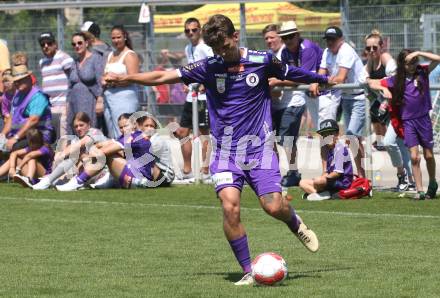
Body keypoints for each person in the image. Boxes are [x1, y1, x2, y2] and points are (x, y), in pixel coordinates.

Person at [104, 14, 334, 285]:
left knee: (273, 207)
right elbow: (164, 75)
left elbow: (292, 72)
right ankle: (249, 270)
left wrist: (321, 79)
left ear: (235, 37)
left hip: (258, 149)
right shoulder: (208, 66)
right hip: (225, 152)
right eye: (216, 49)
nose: (221, 53)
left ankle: (294, 222)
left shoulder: (261, 61)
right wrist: (127, 78)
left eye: (225, 46)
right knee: (230, 207)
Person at [368, 50, 439, 200]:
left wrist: (418, 52)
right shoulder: (396, 79)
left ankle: (432, 182)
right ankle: (420, 191)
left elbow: (438, 59)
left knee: (428, 155)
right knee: (414, 157)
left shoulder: (422, 72)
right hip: (408, 122)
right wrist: (384, 88)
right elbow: (370, 82)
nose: (412, 66)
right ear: (402, 64)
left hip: (424, 120)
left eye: (414, 62)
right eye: (408, 63)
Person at [56, 113, 174, 191]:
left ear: (135, 126)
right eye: (121, 127)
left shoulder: (152, 139)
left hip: (161, 175)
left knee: (108, 155)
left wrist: (88, 155)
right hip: (148, 172)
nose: (149, 128)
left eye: (151, 126)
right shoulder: (131, 136)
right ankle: (83, 181)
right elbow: (108, 144)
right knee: (111, 154)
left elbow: (104, 150)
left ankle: (78, 181)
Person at [271, 20, 323, 187]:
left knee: (326, 135)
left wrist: (279, 81)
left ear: (298, 35)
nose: (288, 40)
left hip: (320, 95)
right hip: (303, 96)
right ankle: (286, 173)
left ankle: (328, 174)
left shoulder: (307, 48)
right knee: (283, 139)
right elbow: (286, 76)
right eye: (285, 37)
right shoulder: (285, 52)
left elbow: (305, 78)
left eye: (291, 36)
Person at [310, 26, 366, 178]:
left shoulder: (346, 50)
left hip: (357, 97)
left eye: (333, 39)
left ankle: (362, 177)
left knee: (352, 136)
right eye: (327, 39)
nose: (329, 42)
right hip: (341, 95)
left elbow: (340, 78)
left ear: (341, 40)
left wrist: (320, 82)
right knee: (325, 132)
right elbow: (321, 73)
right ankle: (326, 173)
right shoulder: (327, 51)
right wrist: (315, 81)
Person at [364, 30, 414, 191]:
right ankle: (407, 180)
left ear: (381, 47)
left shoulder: (386, 59)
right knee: (398, 144)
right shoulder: (370, 61)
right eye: (368, 48)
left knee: (391, 143)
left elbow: (395, 79)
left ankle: (406, 178)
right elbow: (364, 79)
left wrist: (378, 83)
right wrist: (380, 84)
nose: (371, 51)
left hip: (401, 108)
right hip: (389, 109)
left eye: (374, 48)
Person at [167, 17, 214, 181]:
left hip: (203, 97)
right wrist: (188, 83)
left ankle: (206, 170)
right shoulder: (188, 48)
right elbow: (190, 70)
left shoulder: (205, 48)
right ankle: (188, 171)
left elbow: (212, 68)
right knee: (183, 132)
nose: (191, 33)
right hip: (191, 97)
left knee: (203, 134)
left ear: (200, 30)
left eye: (194, 30)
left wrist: (204, 84)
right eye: (187, 30)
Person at [32, 112, 107, 190]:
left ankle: (47, 181)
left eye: (81, 125)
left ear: (88, 124)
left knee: (74, 154)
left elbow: (82, 143)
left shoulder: (95, 132)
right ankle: (47, 180)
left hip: (101, 174)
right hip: (82, 173)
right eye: (76, 126)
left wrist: (62, 154)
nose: (78, 128)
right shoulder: (75, 140)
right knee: (59, 178)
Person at [299, 119, 353, 201]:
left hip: (342, 182)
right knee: (302, 183)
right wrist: (321, 178)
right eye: (325, 135)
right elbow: (325, 171)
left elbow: (337, 173)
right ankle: (321, 194)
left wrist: (322, 179)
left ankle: (319, 194)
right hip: (331, 180)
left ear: (337, 134)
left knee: (318, 181)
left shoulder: (340, 149)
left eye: (331, 133)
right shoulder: (327, 149)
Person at [4, 65, 54, 152]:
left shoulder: (38, 96)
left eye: (20, 80)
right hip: (21, 136)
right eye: (15, 81)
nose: (17, 83)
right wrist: (2, 135)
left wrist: (15, 138)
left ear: (29, 78)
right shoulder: (17, 96)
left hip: (38, 137)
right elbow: (11, 118)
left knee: (13, 148)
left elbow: (33, 120)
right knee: (2, 147)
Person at [102, 25, 140, 138]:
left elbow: (133, 78)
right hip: (109, 97)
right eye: (113, 38)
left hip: (124, 97)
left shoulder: (129, 55)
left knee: (125, 131)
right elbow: (106, 74)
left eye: (118, 37)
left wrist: (114, 81)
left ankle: (129, 154)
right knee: (113, 132)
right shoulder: (110, 54)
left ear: (125, 37)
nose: (116, 40)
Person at [67, 32, 105, 134]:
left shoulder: (96, 58)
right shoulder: (74, 62)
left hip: (90, 101)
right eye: (74, 44)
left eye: (79, 43)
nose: (77, 46)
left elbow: (101, 81)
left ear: (86, 43)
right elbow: (70, 86)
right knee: (76, 130)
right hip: (74, 103)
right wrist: (67, 104)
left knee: (90, 131)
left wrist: (100, 100)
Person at [38, 32, 74, 140]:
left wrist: (69, 103)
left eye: (49, 43)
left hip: (63, 105)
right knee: (49, 137)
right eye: (43, 44)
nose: (46, 46)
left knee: (63, 136)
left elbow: (73, 80)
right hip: (49, 107)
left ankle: (64, 156)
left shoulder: (65, 58)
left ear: (55, 44)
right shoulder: (42, 62)